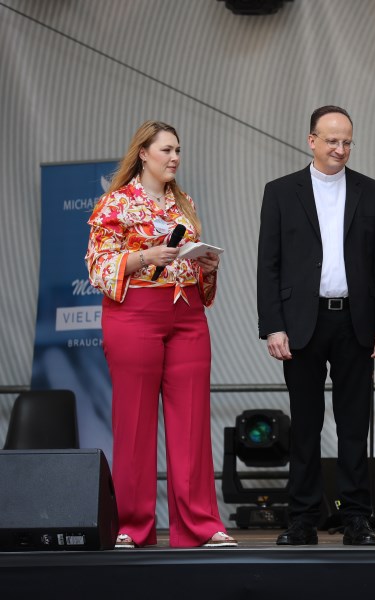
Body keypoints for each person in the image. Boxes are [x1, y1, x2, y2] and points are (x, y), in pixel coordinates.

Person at [86, 120, 235, 549]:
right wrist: (142, 257)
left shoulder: (183, 202)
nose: (174, 158)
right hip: (134, 315)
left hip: (186, 314)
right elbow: (98, 267)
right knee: (133, 422)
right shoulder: (115, 204)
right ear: (144, 153)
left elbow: (200, 280)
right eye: (166, 150)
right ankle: (133, 526)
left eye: (178, 151)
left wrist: (208, 267)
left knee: (191, 421)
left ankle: (201, 525)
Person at [257, 105, 375, 546]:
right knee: (305, 423)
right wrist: (272, 326)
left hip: (355, 320)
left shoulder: (370, 191)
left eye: (347, 142)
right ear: (311, 140)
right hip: (302, 322)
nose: (340, 149)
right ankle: (302, 519)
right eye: (332, 141)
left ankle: (356, 517)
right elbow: (269, 265)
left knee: (354, 423)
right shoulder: (281, 191)